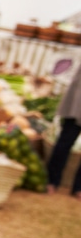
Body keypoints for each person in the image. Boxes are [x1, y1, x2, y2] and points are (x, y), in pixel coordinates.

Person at [47, 71, 81, 199]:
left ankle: (79, 187)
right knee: (65, 142)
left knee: (64, 142)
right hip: (77, 104)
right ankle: (52, 181)